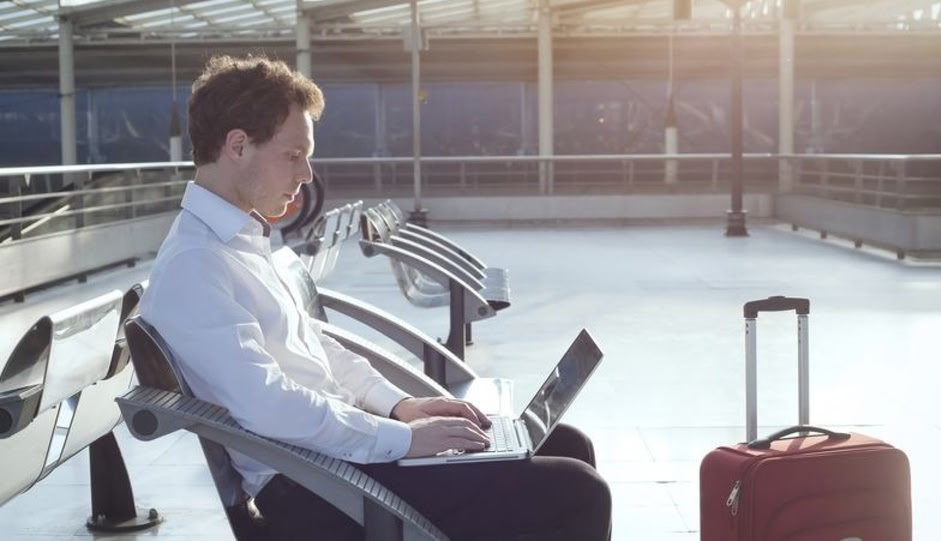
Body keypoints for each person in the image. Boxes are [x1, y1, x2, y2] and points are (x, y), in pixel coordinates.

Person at [140, 53, 611, 541]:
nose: (306, 174)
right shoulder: (196, 264)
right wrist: (402, 440)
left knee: (565, 444)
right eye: (293, 155)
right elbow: (268, 406)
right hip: (319, 490)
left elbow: (316, 348)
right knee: (579, 491)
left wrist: (400, 406)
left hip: (336, 460)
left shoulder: (237, 240)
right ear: (237, 145)